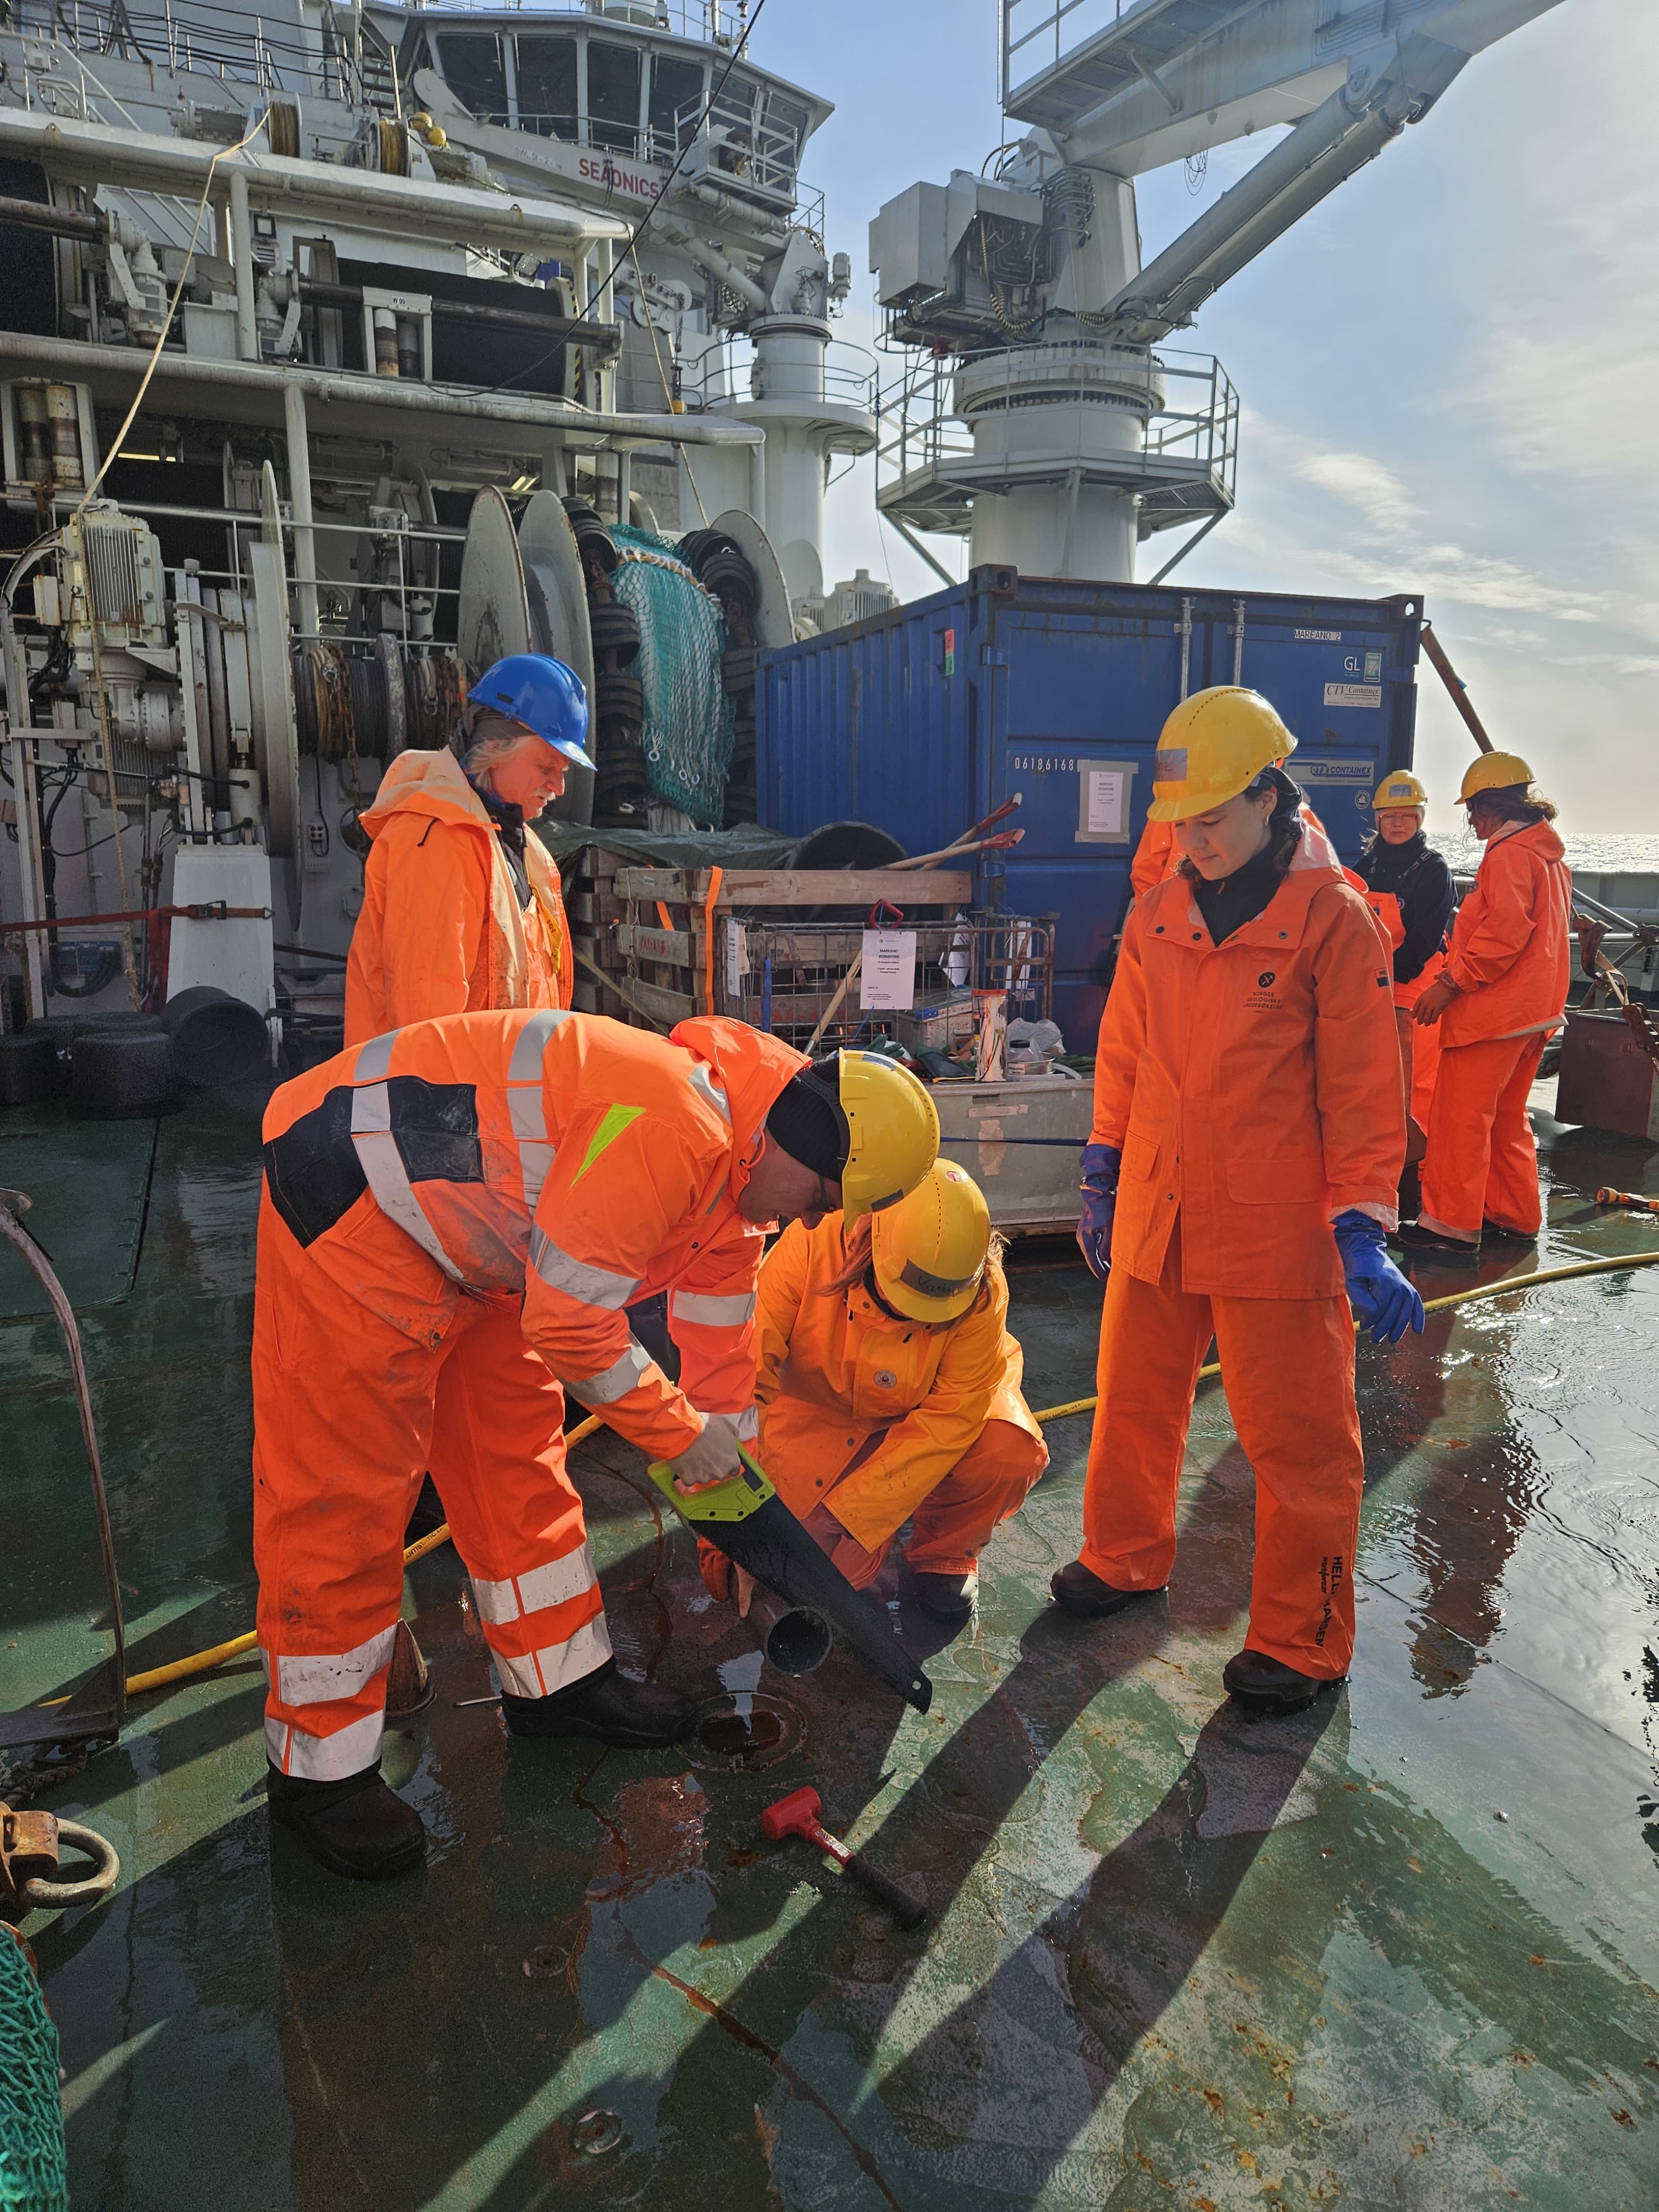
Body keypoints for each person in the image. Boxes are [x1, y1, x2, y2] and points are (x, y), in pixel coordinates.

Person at [253, 1014, 939, 1878]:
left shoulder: (738, 1191)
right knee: (344, 1493)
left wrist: (740, 1499)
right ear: (793, 1143)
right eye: (818, 1200)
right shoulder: (673, 1124)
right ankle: (318, 1774)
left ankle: (558, 1684)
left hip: (486, 1249)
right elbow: (573, 1325)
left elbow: (720, 1364)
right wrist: (683, 1437)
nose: (811, 1222)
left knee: (518, 1465)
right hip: (356, 1203)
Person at [1053, 686, 1424, 1716]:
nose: (1195, 841)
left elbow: (1361, 1085)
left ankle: (1304, 1641)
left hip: (1277, 1225)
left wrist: (1362, 1221)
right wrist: (1102, 1159)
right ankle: (1123, 1556)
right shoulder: (1162, 904)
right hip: (1160, 1207)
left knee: (1299, 1443)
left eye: (1212, 820)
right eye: (1182, 822)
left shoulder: (1333, 919)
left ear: (1270, 796)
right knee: (1131, 1406)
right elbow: (1124, 1044)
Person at [707, 1160, 1047, 1630]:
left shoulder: (985, 1291)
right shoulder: (812, 1242)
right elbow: (742, 1378)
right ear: (872, 1244)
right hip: (818, 1411)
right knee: (826, 1577)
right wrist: (742, 1529)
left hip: (930, 1415)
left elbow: (949, 1419)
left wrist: (833, 1521)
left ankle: (946, 1554)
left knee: (1006, 1451)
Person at [343, 654, 588, 1048]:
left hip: (499, 1097)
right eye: (547, 766)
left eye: (564, 771)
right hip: (438, 1102)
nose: (558, 786)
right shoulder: (436, 840)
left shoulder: (521, 845)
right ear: (494, 747)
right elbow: (427, 1032)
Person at [1400, 752, 1570, 1254]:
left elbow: (1502, 935)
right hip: (1533, 1014)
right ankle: (1514, 1215)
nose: (1471, 820)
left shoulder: (1510, 854)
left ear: (1492, 806)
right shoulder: (1545, 853)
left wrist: (1450, 984)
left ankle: (1450, 1228)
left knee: (1461, 1123)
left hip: (1493, 1017)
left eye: (1473, 809)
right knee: (1506, 1120)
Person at [1353, 770, 1457, 1153]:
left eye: (1408, 815)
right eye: (1391, 816)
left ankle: (1419, 1174)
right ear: (1378, 819)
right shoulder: (1365, 869)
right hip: (1371, 997)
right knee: (1371, 1087)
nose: (1398, 823)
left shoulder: (1433, 870)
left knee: (1416, 1089)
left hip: (1413, 1000)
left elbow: (1424, 942)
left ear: (1419, 819)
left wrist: (1379, 979)